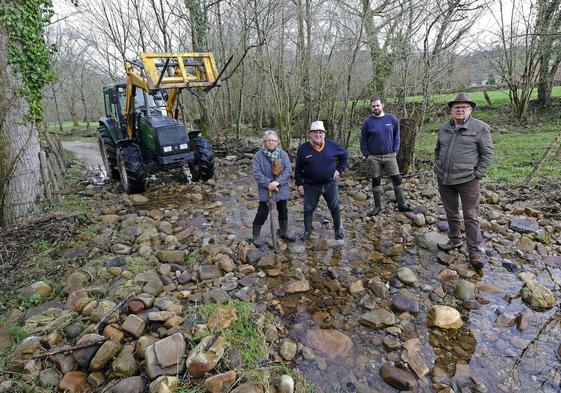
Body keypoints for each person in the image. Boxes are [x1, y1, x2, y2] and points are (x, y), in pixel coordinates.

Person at [434, 93, 494, 269]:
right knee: (451, 211)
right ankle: (454, 240)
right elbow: (438, 149)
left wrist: (478, 174)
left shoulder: (480, 128)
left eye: (463, 107)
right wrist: (438, 164)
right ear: (451, 110)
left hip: (468, 179)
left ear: (470, 109)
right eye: (456, 107)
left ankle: (475, 252)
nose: (459, 110)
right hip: (444, 178)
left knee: (471, 216)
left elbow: (488, 154)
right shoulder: (444, 127)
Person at [295, 120, 348, 240]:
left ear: (324, 134)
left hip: (330, 184)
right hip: (310, 186)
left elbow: (344, 156)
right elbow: (298, 168)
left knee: (334, 207)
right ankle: (307, 232)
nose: (318, 135)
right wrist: (299, 184)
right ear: (310, 134)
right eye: (315, 132)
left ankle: (337, 230)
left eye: (320, 132)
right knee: (308, 209)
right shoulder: (303, 149)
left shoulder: (332, 145)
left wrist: (339, 170)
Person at [360, 96, 412, 216]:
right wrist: (367, 155)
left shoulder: (391, 119)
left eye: (377, 105)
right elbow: (363, 140)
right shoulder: (367, 122)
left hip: (390, 155)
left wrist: (395, 151)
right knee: (376, 181)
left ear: (382, 105)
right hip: (374, 157)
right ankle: (378, 207)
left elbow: (397, 136)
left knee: (397, 179)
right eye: (373, 106)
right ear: (371, 107)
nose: (376, 108)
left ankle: (402, 204)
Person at [252, 130, 295, 247]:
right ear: (264, 142)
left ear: (277, 142)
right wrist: (268, 183)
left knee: (283, 210)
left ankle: (284, 231)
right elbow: (256, 173)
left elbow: (288, 170)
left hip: (281, 187)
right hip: (266, 189)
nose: (271, 142)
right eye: (268, 140)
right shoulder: (258, 156)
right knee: (262, 212)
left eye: (273, 140)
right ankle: (256, 236)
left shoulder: (283, 154)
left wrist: (278, 182)